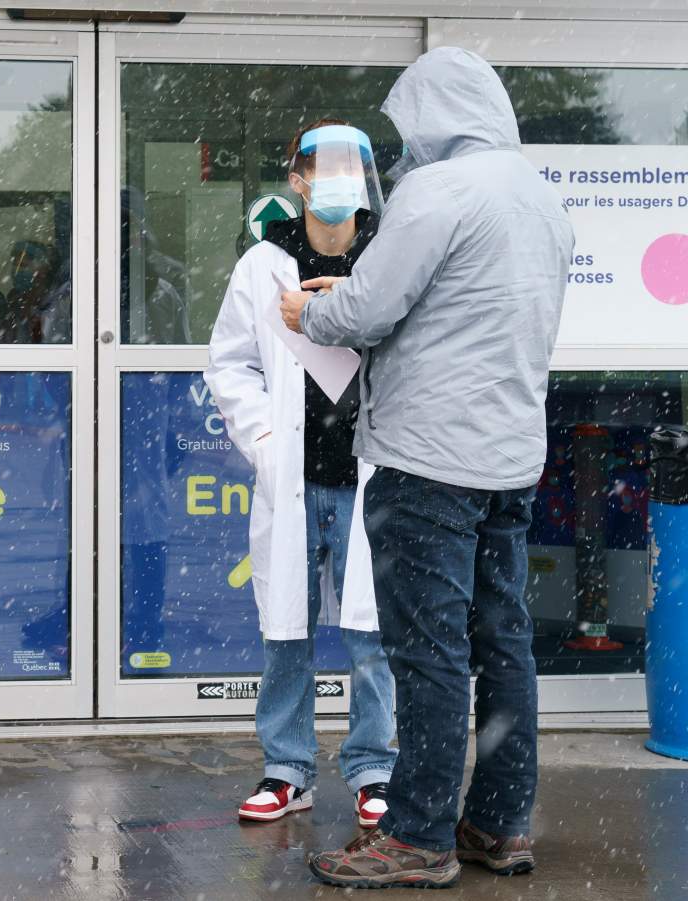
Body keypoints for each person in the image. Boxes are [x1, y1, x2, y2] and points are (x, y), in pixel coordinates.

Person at [279, 48, 574, 889]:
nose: (404, 145)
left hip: (429, 460)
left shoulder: (438, 192)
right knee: (502, 639)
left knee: (431, 649)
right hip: (509, 458)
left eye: (411, 124)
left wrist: (313, 307)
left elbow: (367, 309)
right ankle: (499, 822)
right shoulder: (540, 198)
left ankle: (415, 836)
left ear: (437, 114)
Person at [205, 119, 397, 831]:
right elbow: (229, 361)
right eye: (324, 167)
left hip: (372, 472)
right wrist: (262, 437)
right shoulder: (263, 265)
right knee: (286, 629)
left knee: (373, 635)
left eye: (354, 166)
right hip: (294, 474)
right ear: (298, 180)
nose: (339, 180)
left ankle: (375, 768)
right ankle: (287, 769)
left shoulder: (390, 258)